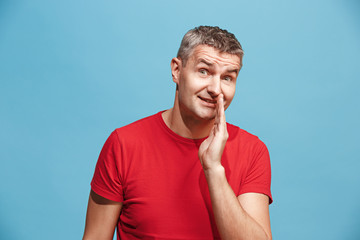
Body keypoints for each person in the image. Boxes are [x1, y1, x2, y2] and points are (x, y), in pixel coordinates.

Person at [83, 26, 272, 240]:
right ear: (176, 70)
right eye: (204, 71)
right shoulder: (124, 144)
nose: (216, 89)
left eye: (227, 77)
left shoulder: (253, 151)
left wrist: (213, 169)